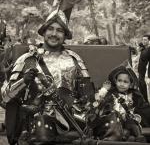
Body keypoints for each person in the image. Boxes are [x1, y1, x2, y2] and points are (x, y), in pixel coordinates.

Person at [2, 10, 94, 145]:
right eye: (50, 29)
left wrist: (86, 118)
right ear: (44, 32)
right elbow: (5, 96)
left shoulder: (74, 60)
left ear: (65, 35)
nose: (54, 34)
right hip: (35, 123)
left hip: (69, 122)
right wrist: (24, 81)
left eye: (59, 30)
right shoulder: (27, 59)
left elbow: (88, 97)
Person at [90, 66, 146, 142]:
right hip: (113, 120)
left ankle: (139, 136)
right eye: (119, 81)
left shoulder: (133, 94)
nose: (122, 84)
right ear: (115, 81)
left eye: (125, 82)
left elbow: (142, 107)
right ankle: (122, 136)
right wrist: (104, 89)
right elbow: (100, 101)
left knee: (132, 123)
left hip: (126, 120)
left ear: (130, 84)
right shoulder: (111, 93)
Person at [138, 34, 150, 103]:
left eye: (145, 40)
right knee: (142, 89)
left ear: (149, 40)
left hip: (145, 74)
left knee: (145, 89)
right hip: (140, 72)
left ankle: (146, 103)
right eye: (143, 39)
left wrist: (148, 76)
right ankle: (144, 103)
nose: (143, 41)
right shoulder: (143, 48)